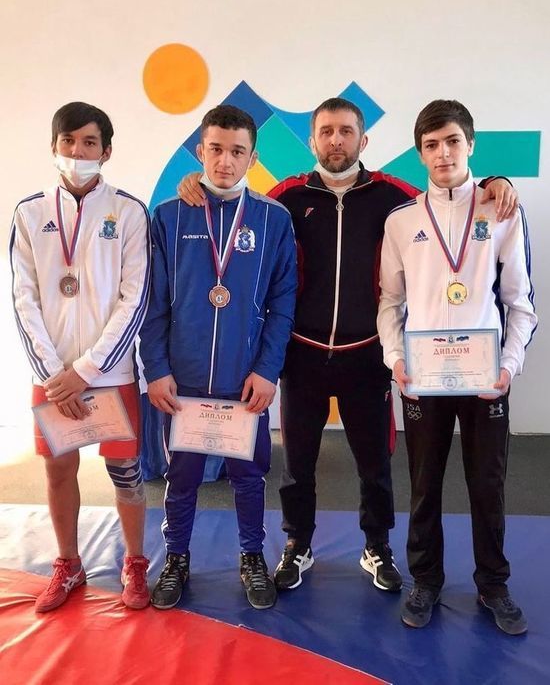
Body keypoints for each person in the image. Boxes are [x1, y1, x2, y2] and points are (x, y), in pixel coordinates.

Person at [178, 97, 517, 594]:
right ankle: (298, 543)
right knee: (298, 463)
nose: (336, 140)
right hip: (303, 352)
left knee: (374, 462)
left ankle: (377, 545)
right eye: (326, 131)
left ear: (364, 139)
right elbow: (237, 208)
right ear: (312, 140)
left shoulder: (392, 196)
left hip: (367, 353)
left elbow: (447, 194)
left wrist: (496, 181)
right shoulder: (287, 196)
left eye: (346, 131)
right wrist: (196, 185)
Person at [377, 99, 537, 634]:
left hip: (486, 378)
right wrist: (396, 359)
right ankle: (425, 580)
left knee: (487, 485)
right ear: (420, 153)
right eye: (431, 145)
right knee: (424, 484)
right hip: (423, 379)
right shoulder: (401, 221)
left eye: (452, 141)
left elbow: (520, 303)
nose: (442, 153)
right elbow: (389, 302)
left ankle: (494, 584)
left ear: (470, 145)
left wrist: (508, 367)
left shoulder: (501, 210)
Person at [140, 105, 296, 610]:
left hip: (243, 378)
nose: (225, 161)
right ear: (199, 150)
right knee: (181, 477)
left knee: (248, 476)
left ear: (253, 158)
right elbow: (152, 302)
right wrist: (156, 369)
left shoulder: (273, 219)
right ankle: (176, 557)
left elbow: (283, 302)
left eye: (237, 151)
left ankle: (252, 557)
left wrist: (268, 370)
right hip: (182, 379)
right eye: (215, 149)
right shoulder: (169, 216)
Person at [10, 102, 151, 612]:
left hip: (110, 373)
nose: (77, 150)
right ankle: (68, 563)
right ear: (54, 147)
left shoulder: (129, 212)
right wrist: (55, 375)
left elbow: (135, 298)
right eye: (68, 141)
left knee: (126, 473)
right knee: (57, 470)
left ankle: (134, 563)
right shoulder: (29, 213)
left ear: (106, 151)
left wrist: (87, 371)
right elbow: (23, 298)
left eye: (89, 142)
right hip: (51, 377)